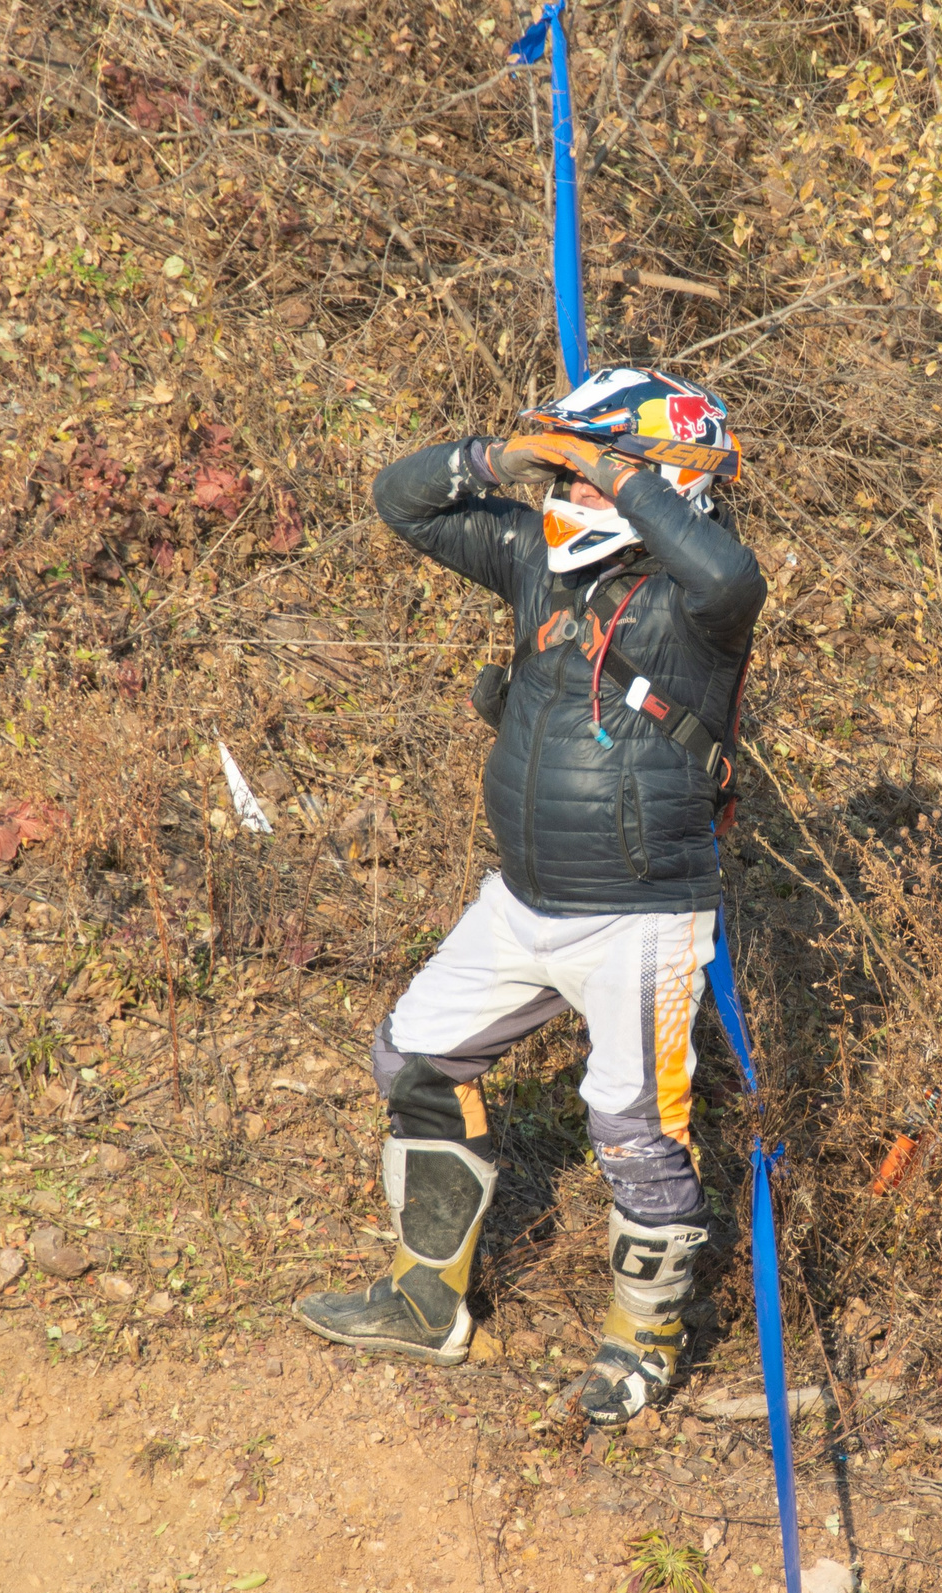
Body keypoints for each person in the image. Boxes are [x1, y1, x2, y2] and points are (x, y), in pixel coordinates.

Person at [294, 367, 762, 1428]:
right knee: (413, 1058)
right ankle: (426, 1303)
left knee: (632, 1127)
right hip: (521, 901)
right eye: (572, 479)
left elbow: (732, 578)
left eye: (592, 482)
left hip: (640, 918)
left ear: (672, 483)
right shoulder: (535, 560)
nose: (572, 501)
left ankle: (642, 1342)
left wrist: (615, 474)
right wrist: (507, 461)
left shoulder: (699, 601)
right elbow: (399, 498)